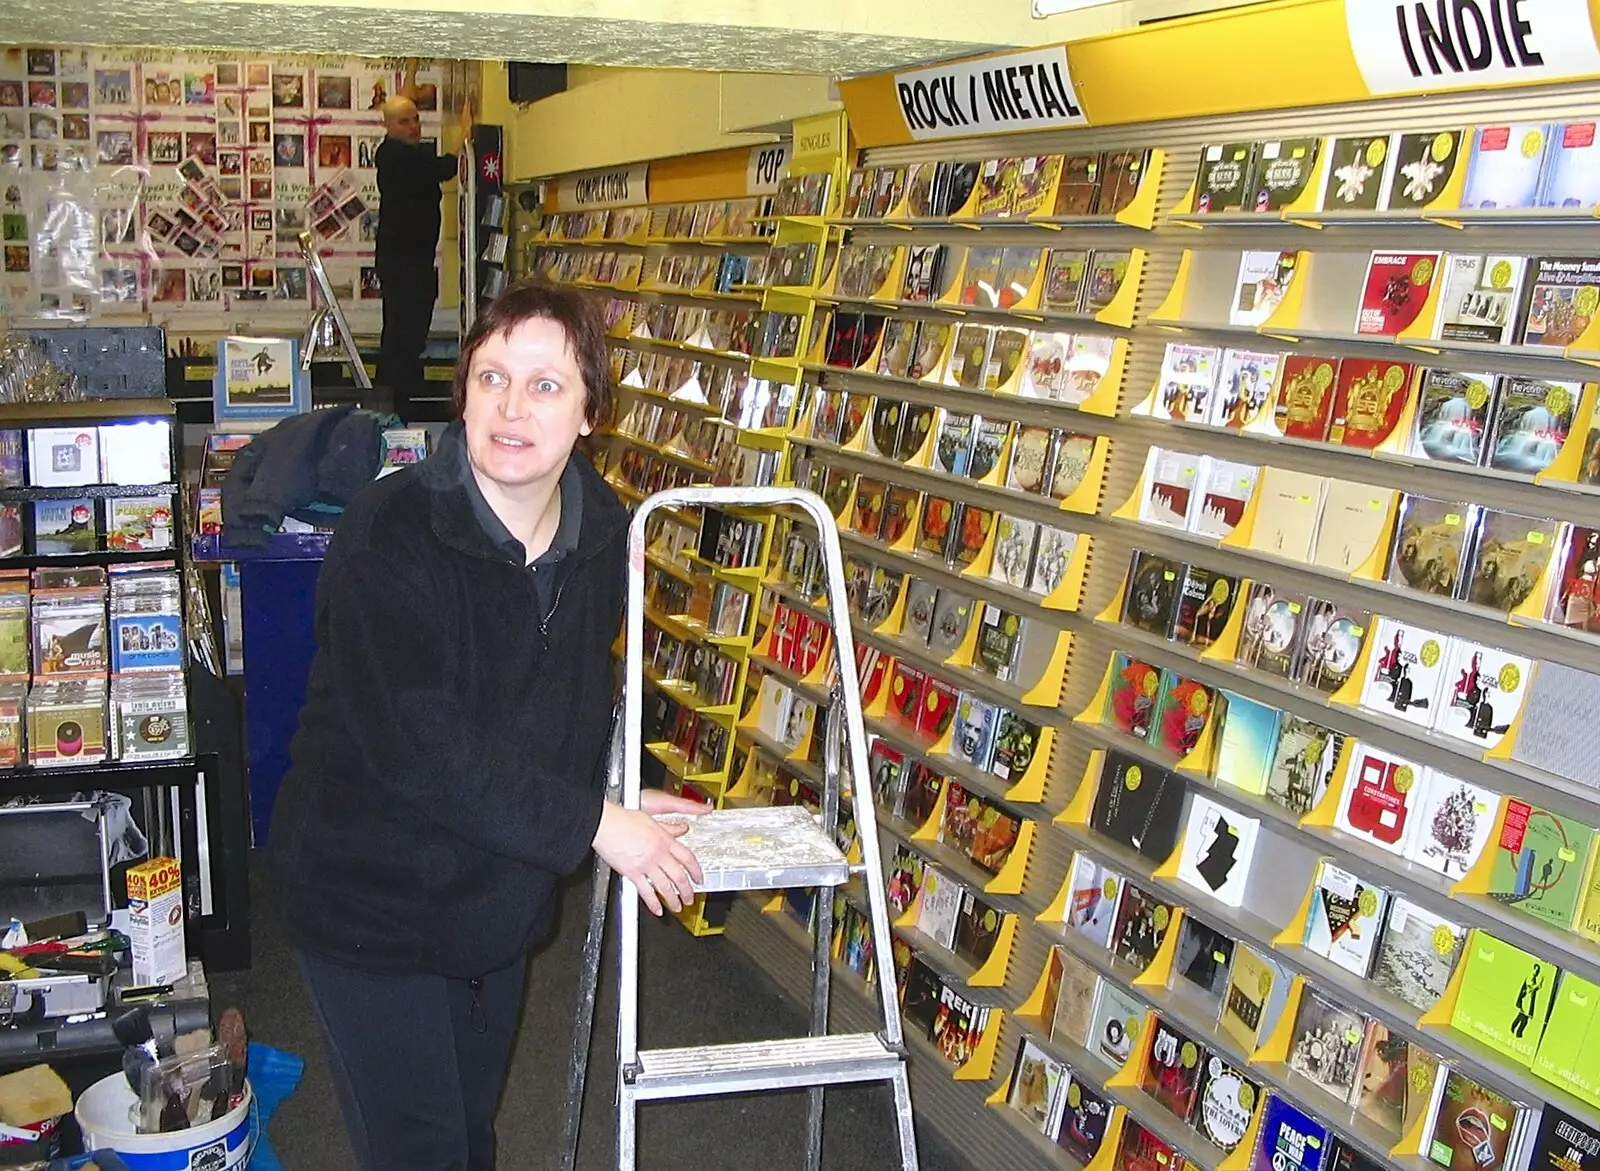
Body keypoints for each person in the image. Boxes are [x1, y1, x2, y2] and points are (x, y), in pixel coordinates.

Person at [270, 279, 706, 1171]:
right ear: (462, 391)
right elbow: (423, 746)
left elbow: (569, 696)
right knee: (422, 1152)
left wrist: (614, 791)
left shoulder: (600, 533)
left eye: (546, 384)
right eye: (491, 377)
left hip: (492, 899)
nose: (512, 407)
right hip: (369, 900)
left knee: (470, 1138)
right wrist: (594, 824)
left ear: (590, 411)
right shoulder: (388, 534)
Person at [373, 69, 458, 418]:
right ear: (390, 126)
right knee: (404, 331)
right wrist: (464, 134)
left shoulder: (397, 151)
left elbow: (400, 105)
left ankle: (395, 394)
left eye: (417, 120)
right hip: (404, 261)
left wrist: (409, 70)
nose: (414, 127)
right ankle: (397, 399)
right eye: (405, 122)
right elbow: (444, 167)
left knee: (403, 328)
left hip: (409, 258)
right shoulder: (397, 156)